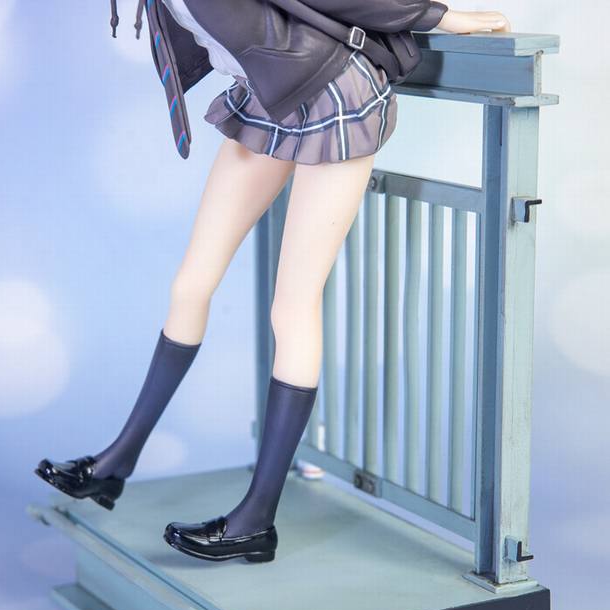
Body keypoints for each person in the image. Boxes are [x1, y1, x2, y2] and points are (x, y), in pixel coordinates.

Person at [35, 0, 511, 563]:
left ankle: (256, 519)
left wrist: (432, 15)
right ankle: (117, 463)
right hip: (270, 93)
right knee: (191, 285)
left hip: (333, 95)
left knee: (292, 306)